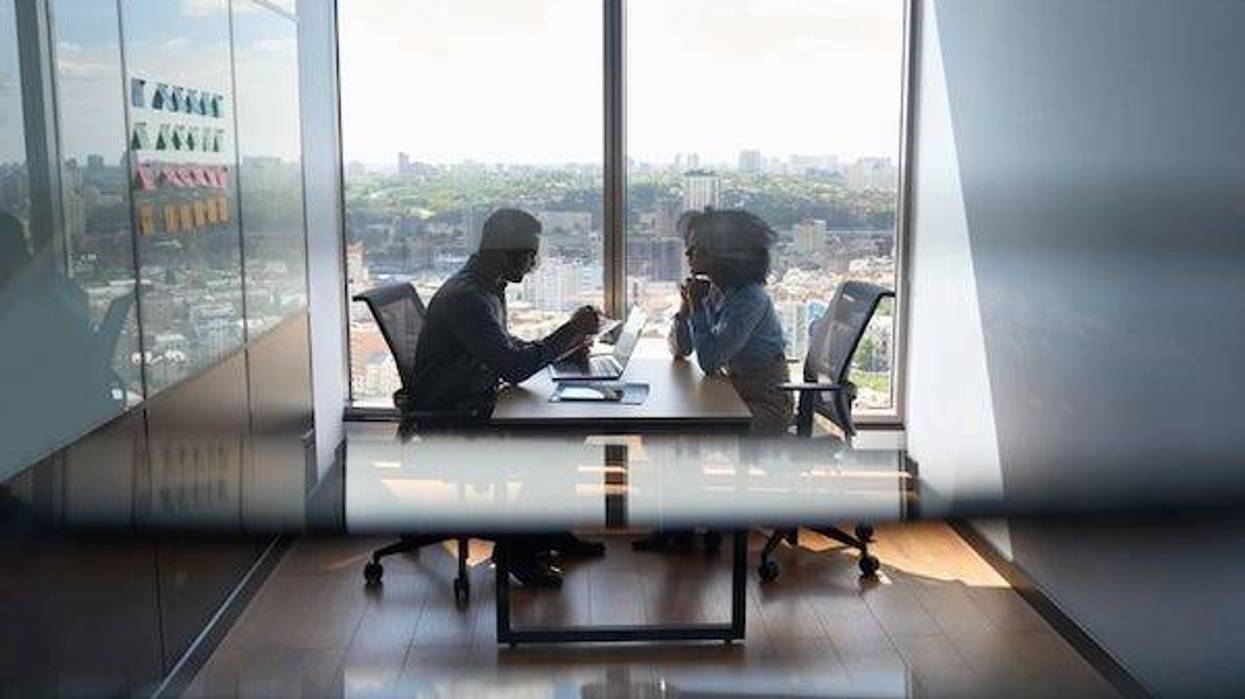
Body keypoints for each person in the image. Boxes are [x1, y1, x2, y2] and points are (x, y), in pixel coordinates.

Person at [409, 208, 604, 586]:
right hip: (454, 416)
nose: (533, 264)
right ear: (501, 251)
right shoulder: (468, 297)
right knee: (554, 444)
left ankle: (545, 532)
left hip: (474, 399)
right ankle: (518, 550)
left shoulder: (486, 286)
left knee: (569, 431)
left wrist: (566, 346)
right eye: (528, 254)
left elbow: (505, 348)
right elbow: (513, 367)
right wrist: (570, 330)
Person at [686, 209, 793, 434]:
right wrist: (684, 307)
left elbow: (710, 362)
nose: (688, 253)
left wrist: (695, 307)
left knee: (689, 428)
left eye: (697, 249)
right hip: (735, 392)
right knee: (683, 416)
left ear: (720, 255)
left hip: (765, 406)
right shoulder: (716, 290)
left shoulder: (749, 299)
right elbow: (682, 348)